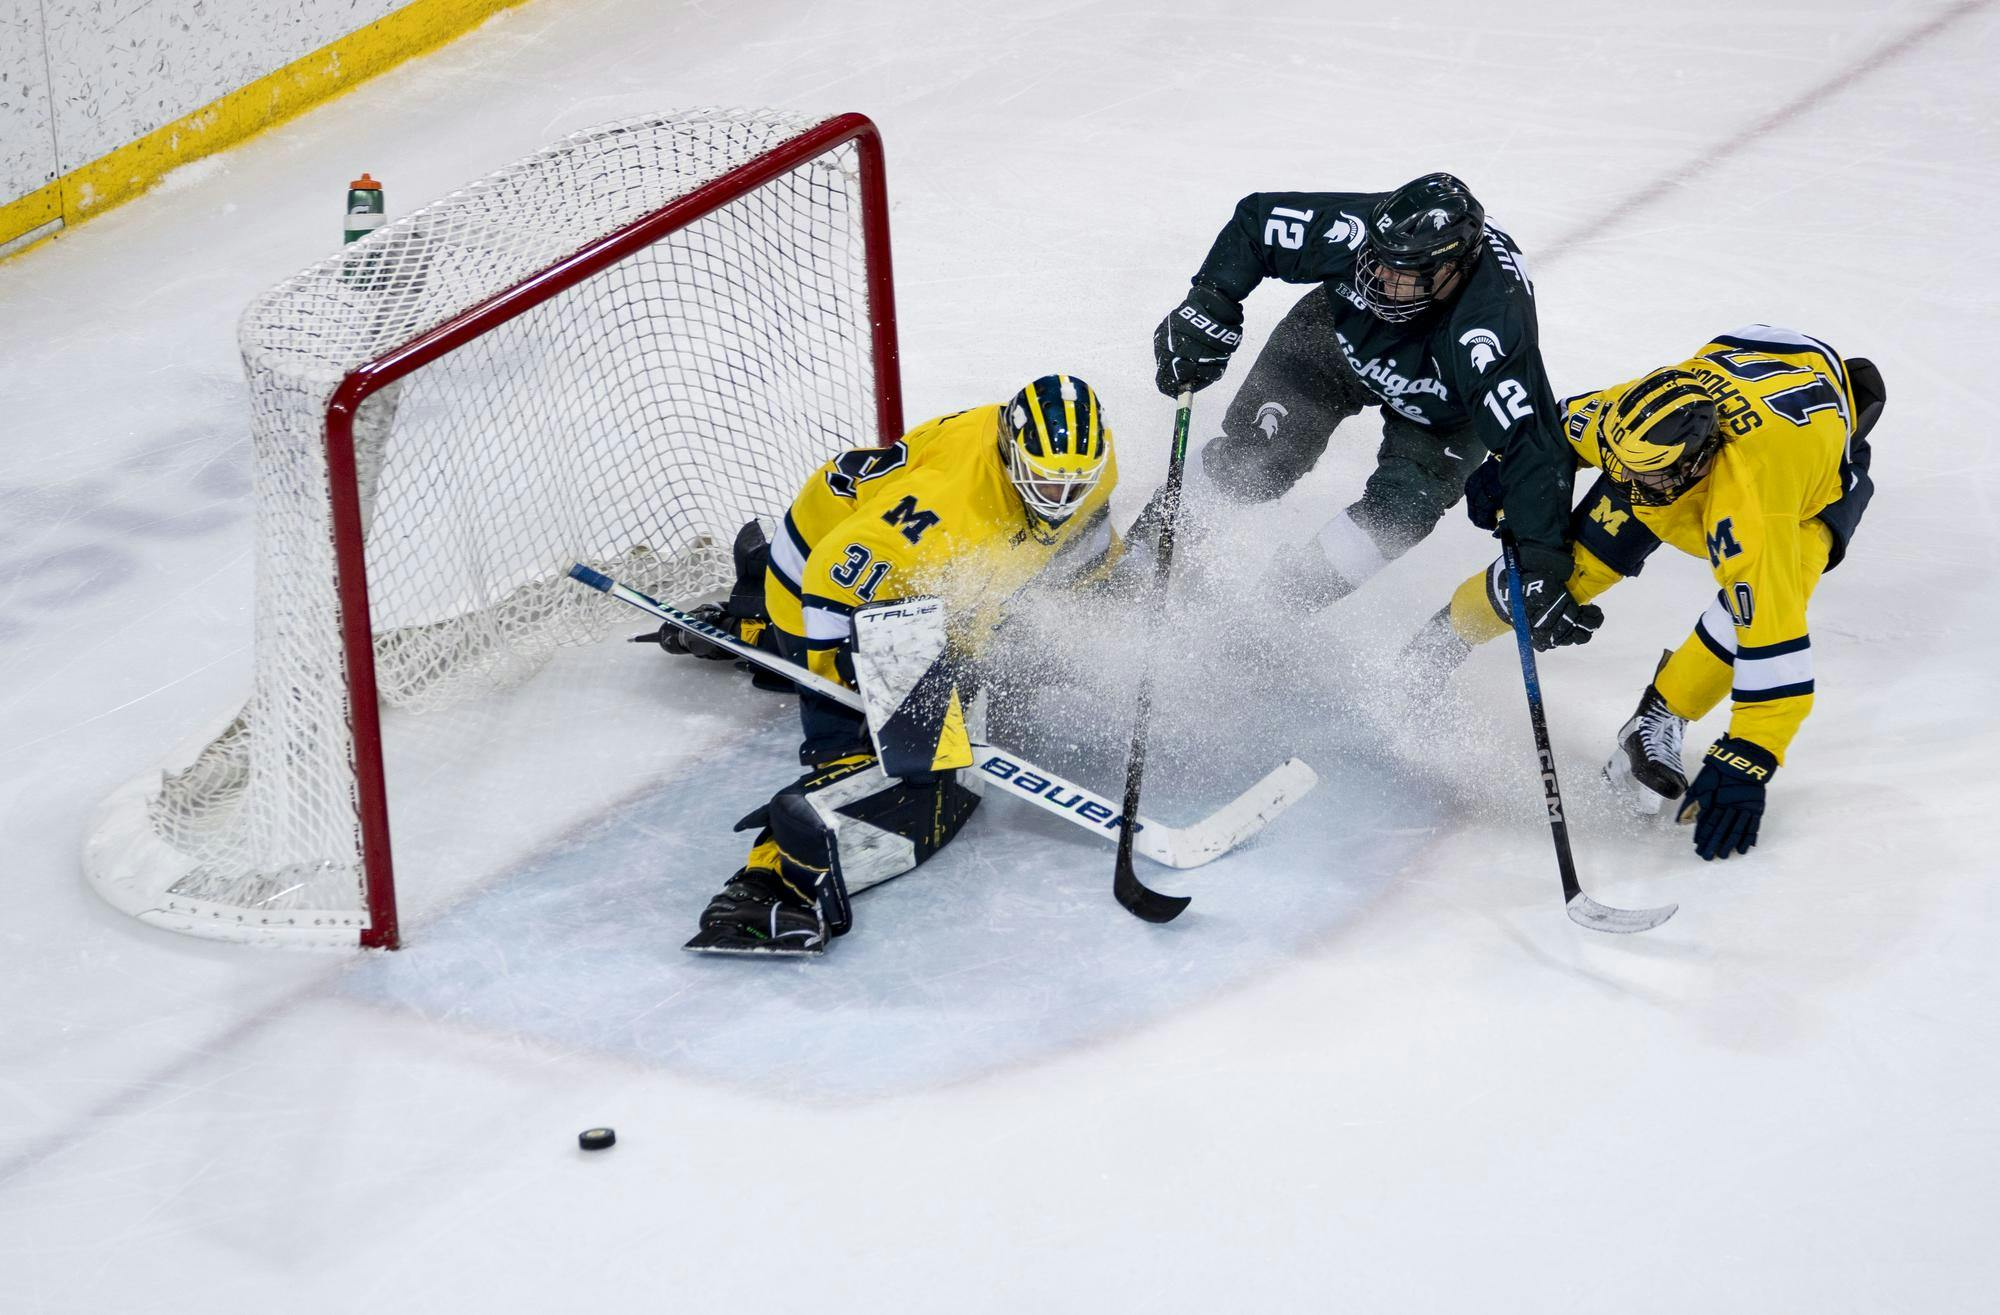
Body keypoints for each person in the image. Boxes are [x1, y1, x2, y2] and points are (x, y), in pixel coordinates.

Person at [650, 375, 1119, 954]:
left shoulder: (1083, 462)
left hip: (909, 572)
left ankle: (750, 623)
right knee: (895, 760)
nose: (1060, 498)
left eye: (1074, 484)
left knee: (1008, 665)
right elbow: (832, 574)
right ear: (1010, 452)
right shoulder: (947, 503)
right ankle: (765, 887)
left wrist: (1110, 607)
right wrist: (848, 691)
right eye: (1045, 481)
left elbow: (1086, 541)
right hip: (819, 572)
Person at [1408, 325, 1883, 861]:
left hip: (1811, 469)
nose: (1627, 484)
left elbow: (1775, 642)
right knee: (1560, 579)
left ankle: (1661, 714)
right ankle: (1431, 647)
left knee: (1762, 598)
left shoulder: (1753, 510)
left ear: (1697, 462)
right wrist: (1508, 470)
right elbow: (1553, 430)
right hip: (1744, 367)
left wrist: (1750, 753)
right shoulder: (1628, 429)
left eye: (1645, 475)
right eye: (1621, 466)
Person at [1142, 172, 1597, 649]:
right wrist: (1209, 304)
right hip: (1336, 336)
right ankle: (1143, 552)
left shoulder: (1491, 332)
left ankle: (1268, 613)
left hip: (1442, 403)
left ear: (1451, 271)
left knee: (1401, 513)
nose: (1378, 277)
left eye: (1401, 271)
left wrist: (1541, 563)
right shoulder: (1358, 230)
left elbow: (1532, 443)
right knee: (1257, 460)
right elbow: (1257, 223)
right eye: (1377, 259)